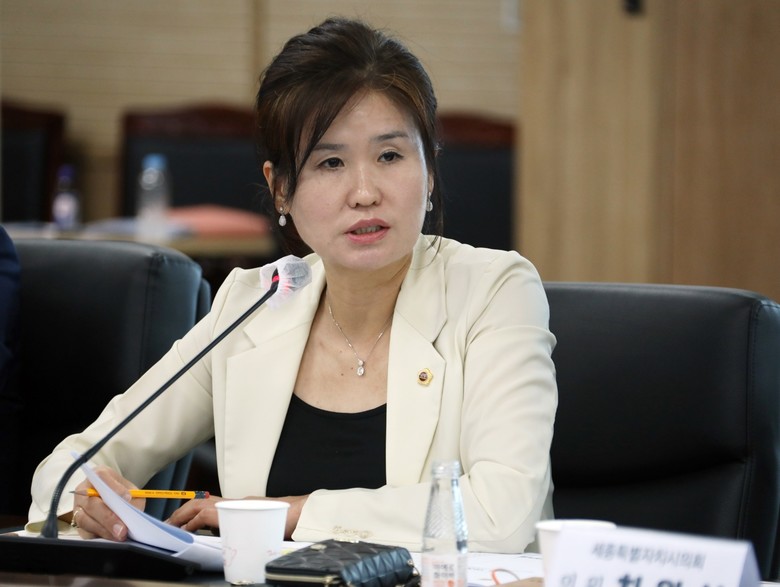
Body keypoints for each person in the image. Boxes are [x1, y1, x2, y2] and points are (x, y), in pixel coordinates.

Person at [28, 17, 557, 553]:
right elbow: (69, 467)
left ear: (430, 170)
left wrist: (290, 513)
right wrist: (86, 500)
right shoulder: (254, 307)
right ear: (280, 188)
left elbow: (501, 515)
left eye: (390, 156)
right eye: (330, 162)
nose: (364, 192)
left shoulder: (493, 293)